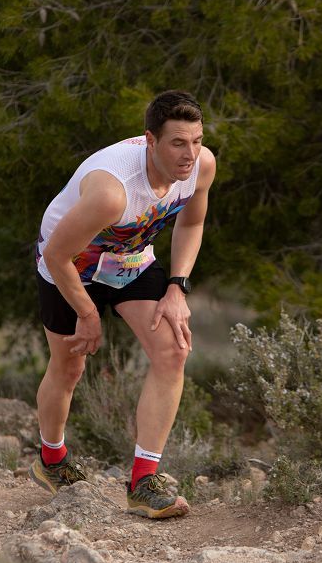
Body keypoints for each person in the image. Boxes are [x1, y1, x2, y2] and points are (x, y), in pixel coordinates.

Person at [28, 90, 216, 519]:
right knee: (69, 366)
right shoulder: (113, 191)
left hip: (130, 257)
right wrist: (88, 315)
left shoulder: (201, 166)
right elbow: (57, 256)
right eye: (177, 143)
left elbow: (193, 219)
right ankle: (51, 460)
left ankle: (143, 481)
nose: (190, 154)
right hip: (70, 263)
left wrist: (176, 288)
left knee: (173, 350)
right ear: (150, 141)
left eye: (197, 140)